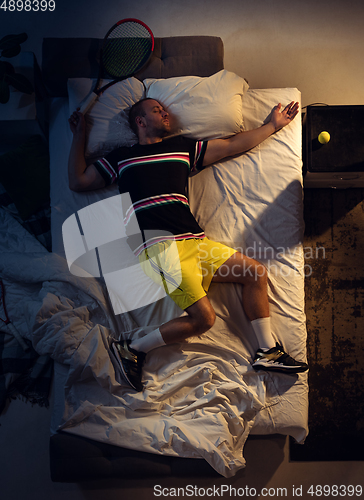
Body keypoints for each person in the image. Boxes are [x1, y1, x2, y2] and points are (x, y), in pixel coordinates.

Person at [68, 97, 308, 391]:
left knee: (255, 273)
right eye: (157, 110)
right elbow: (78, 181)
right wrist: (79, 135)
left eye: (164, 108)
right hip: (160, 250)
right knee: (204, 319)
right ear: (140, 122)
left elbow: (232, 145)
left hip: (197, 243)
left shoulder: (181, 147)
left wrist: (271, 125)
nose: (166, 112)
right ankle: (131, 349)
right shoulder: (121, 158)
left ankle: (268, 352)